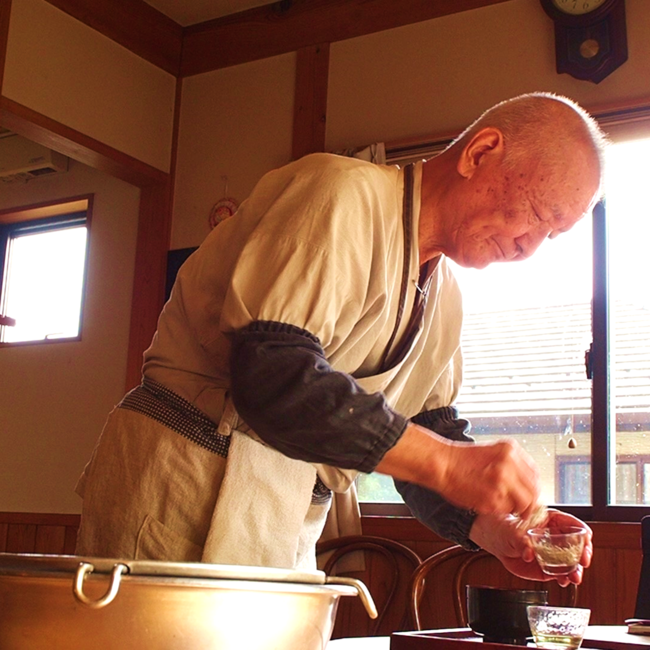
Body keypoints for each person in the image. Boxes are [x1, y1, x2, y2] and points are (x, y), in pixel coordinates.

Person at [75, 92, 604, 586]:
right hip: (181, 482)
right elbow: (274, 374)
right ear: (481, 153)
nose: (530, 247)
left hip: (284, 512)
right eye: (538, 215)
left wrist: (493, 526)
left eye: (551, 235)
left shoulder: (446, 299)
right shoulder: (340, 190)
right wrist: (446, 462)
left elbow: (423, 436)